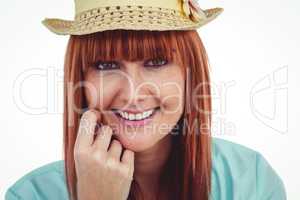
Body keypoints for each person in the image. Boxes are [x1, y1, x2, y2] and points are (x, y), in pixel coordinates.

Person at [5, 0, 287, 200]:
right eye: (105, 66)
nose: (132, 94)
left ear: (190, 74)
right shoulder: (30, 194)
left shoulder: (251, 181)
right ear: (81, 80)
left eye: (156, 62)